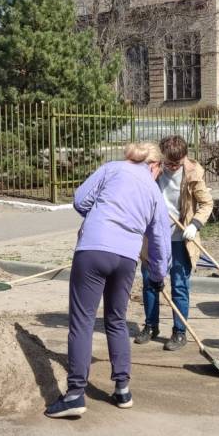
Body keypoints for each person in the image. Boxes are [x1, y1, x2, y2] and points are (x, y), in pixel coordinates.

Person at [44, 142, 172, 419]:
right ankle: (123, 389)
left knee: (82, 322)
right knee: (116, 320)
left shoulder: (112, 169)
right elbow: (160, 235)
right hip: (126, 259)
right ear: (155, 165)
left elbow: (80, 200)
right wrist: (158, 274)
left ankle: (75, 395)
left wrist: (98, 215)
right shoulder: (153, 191)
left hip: (92, 249)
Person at [135, 135, 214, 352]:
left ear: (183, 157)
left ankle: (179, 332)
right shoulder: (151, 170)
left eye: (175, 164)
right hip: (153, 238)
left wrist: (195, 225)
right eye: (168, 162)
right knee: (150, 282)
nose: (171, 167)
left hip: (180, 239)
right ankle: (151, 326)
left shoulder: (192, 173)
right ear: (161, 156)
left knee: (179, 286)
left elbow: (206, 204)